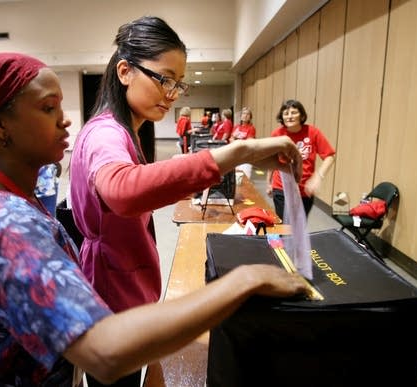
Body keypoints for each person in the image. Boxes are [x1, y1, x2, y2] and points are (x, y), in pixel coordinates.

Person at [0, 51, 306, 386]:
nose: (65, 119)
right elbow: (104, 351)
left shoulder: (9, 202)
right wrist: (242, 281)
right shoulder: (4, 223)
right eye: (48, 108)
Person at [70, 16, 304, 386]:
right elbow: (123, 190)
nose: (173, 93)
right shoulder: (105, 132)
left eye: (178, 84)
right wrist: (237, 152)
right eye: (164, 79)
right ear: (125, 71)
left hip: (122, 278)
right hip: (112, 287)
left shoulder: (124, 129)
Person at [267, 99, 336, 221]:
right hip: (281, 187)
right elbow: (272, 160)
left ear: (302, 116)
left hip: (305, 189)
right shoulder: (277, 134)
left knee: (299, 226)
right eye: (286, 113)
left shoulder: (313, 132)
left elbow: (329, 157)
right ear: (281, 117)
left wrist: (317, 177)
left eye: (294, 112)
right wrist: (269, 183)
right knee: (285, 226)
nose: (289, 116)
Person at [230, 107, 257, 178]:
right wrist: (238, 141)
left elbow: (248, 143)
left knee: (245, 178)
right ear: (241, 116)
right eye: (244, 114)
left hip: (246, 157)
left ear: (250, 117)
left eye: (248, 114)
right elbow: (231, 139)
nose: (245, 115)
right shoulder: (236, 127)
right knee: (235, 178)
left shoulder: (251, 128)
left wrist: (235, 141)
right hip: (235, 155)